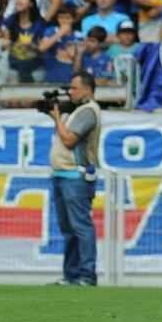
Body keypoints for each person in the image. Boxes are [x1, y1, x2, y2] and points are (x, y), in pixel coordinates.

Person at [48, 71, 101, 287]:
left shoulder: (88, 111)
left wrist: (57, 118)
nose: (70, 92)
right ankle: (71, 275)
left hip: (76, 175)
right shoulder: (78, 111)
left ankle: (87, 275)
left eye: (74, 88)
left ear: (87, 89)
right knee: (69, 229)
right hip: (63, 174)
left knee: (81, 226)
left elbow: (69, 140)